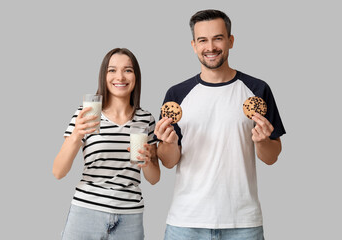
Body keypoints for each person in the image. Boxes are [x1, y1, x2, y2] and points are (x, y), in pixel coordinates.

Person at [154, 9, 286, 240]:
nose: (211, 47)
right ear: (194, 45)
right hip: (186, 222)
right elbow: (168, 161)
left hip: (243, 222)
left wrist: (263, 140)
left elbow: (271, 157)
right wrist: (169, 143)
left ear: (230, 41)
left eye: (218, 38)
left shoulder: (257, 90)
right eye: (203, 40)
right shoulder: (177, 93)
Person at [53, 48, 160, 240]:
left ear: (136, 76)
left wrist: (148, 162)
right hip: (87, 211)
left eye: (128, 70)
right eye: (112, 70)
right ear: (104, 76)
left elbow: (154, 178)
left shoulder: (146, 119)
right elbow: (58, 171)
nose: (120, 76)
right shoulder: (86, 115)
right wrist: (77, 133)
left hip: (130, 216)